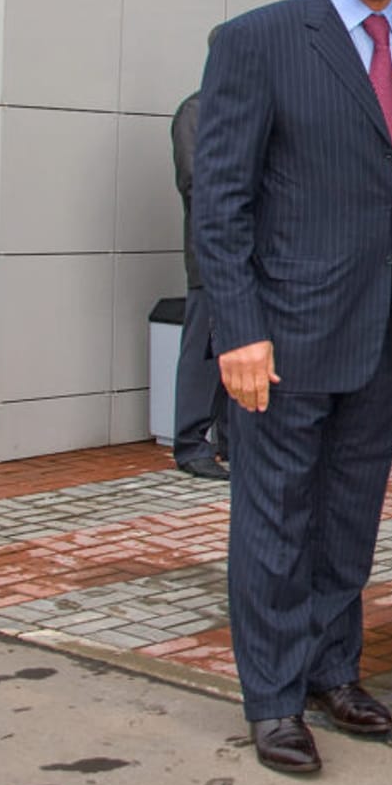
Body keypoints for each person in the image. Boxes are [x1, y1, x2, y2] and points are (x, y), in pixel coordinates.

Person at [191, 0, 392, 774]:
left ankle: (331, 670)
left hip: (379, 333)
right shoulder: (257, 41)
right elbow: (220, 203)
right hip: (281, 337)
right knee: (274, 523)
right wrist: (238, 330)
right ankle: (272, 699)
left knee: (349, 517)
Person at [169, 68, 230, 481]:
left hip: (249, 258)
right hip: (211, 256)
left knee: (236, 349)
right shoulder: (196, 110)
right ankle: (190, 444)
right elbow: (196, 182)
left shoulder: (240, 108)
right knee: (202, 353)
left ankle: (231, 440)